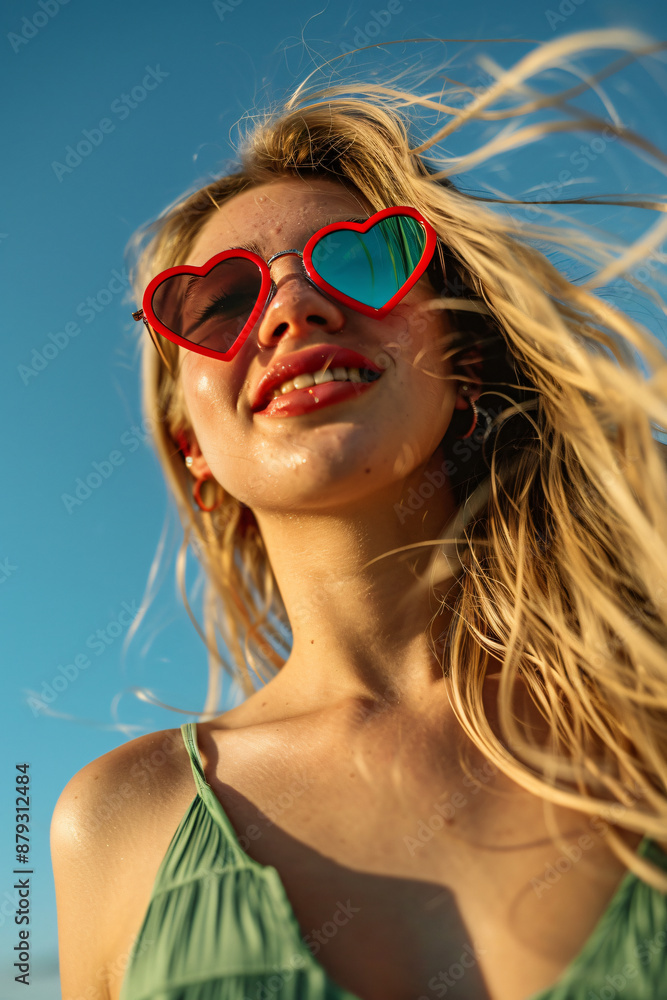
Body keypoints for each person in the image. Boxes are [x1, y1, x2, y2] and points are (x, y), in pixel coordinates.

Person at [51, 32, 667, 1000]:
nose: (294, 308)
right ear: (192, 449)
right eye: (216, 302)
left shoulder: (650, 713)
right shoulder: (122, 818)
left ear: (462, 363)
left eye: (363, 263)